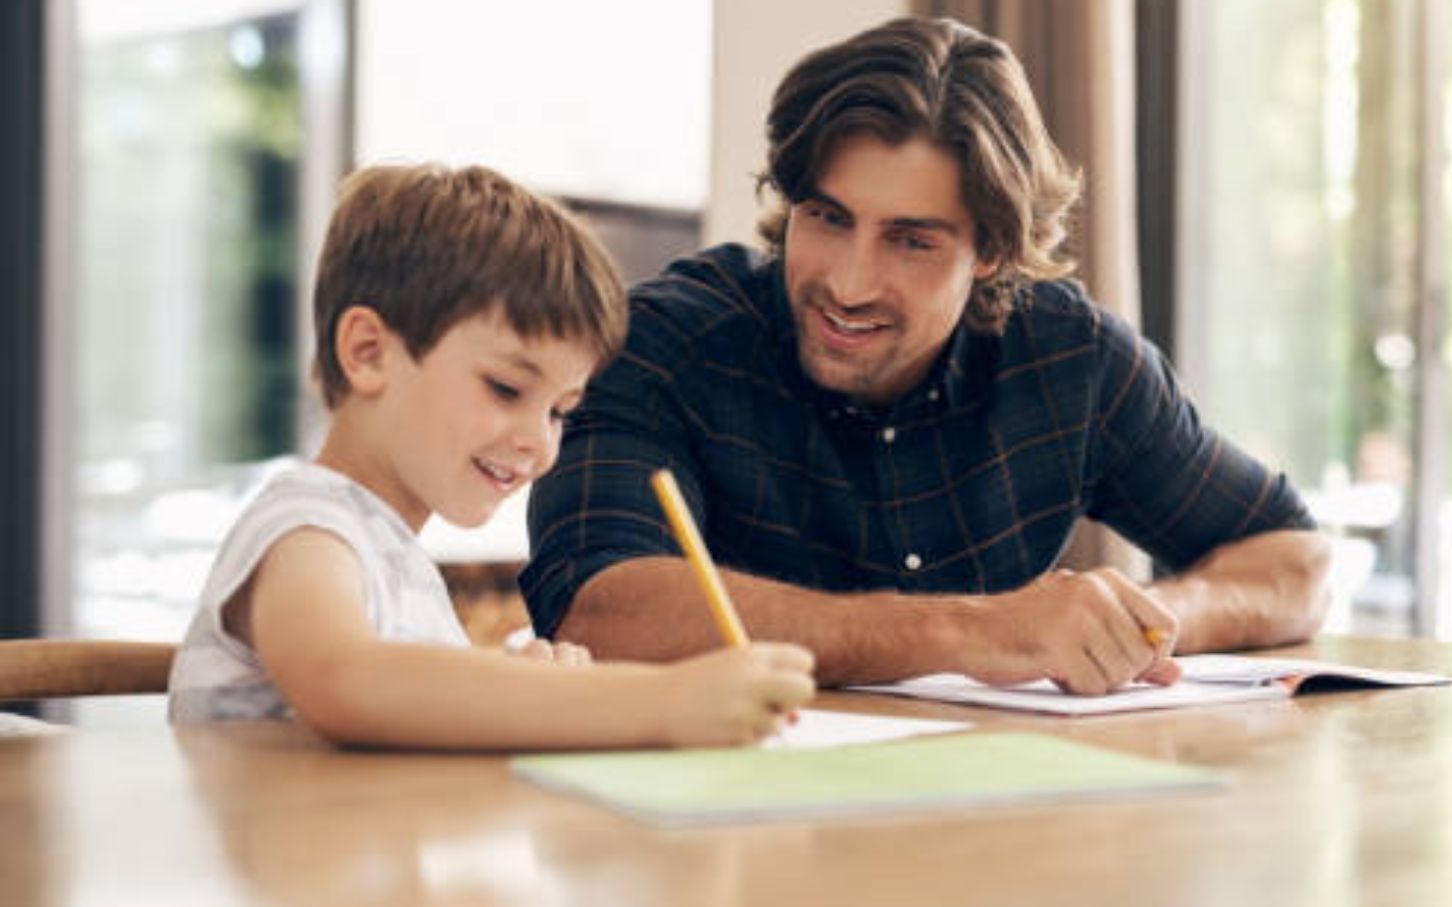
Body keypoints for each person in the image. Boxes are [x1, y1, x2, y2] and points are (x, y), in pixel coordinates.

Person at [524, 17, 1331, 697]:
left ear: (990, 252)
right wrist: (970, 629)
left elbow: (1295, 561)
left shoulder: (1070, 357)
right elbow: (600, 609)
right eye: (827, 217)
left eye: (911, 241)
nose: (848, 283)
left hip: (983, 839)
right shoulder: (664, 343)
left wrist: (1143, 622)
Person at [168, 164, 815, 748]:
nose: (541, 443)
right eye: (506, 387)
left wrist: (519, 690)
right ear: (367, 352)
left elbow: (409, 707)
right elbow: (347, 681)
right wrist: (658, 701)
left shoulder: (387, 552)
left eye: (561, 411)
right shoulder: (307, 529)